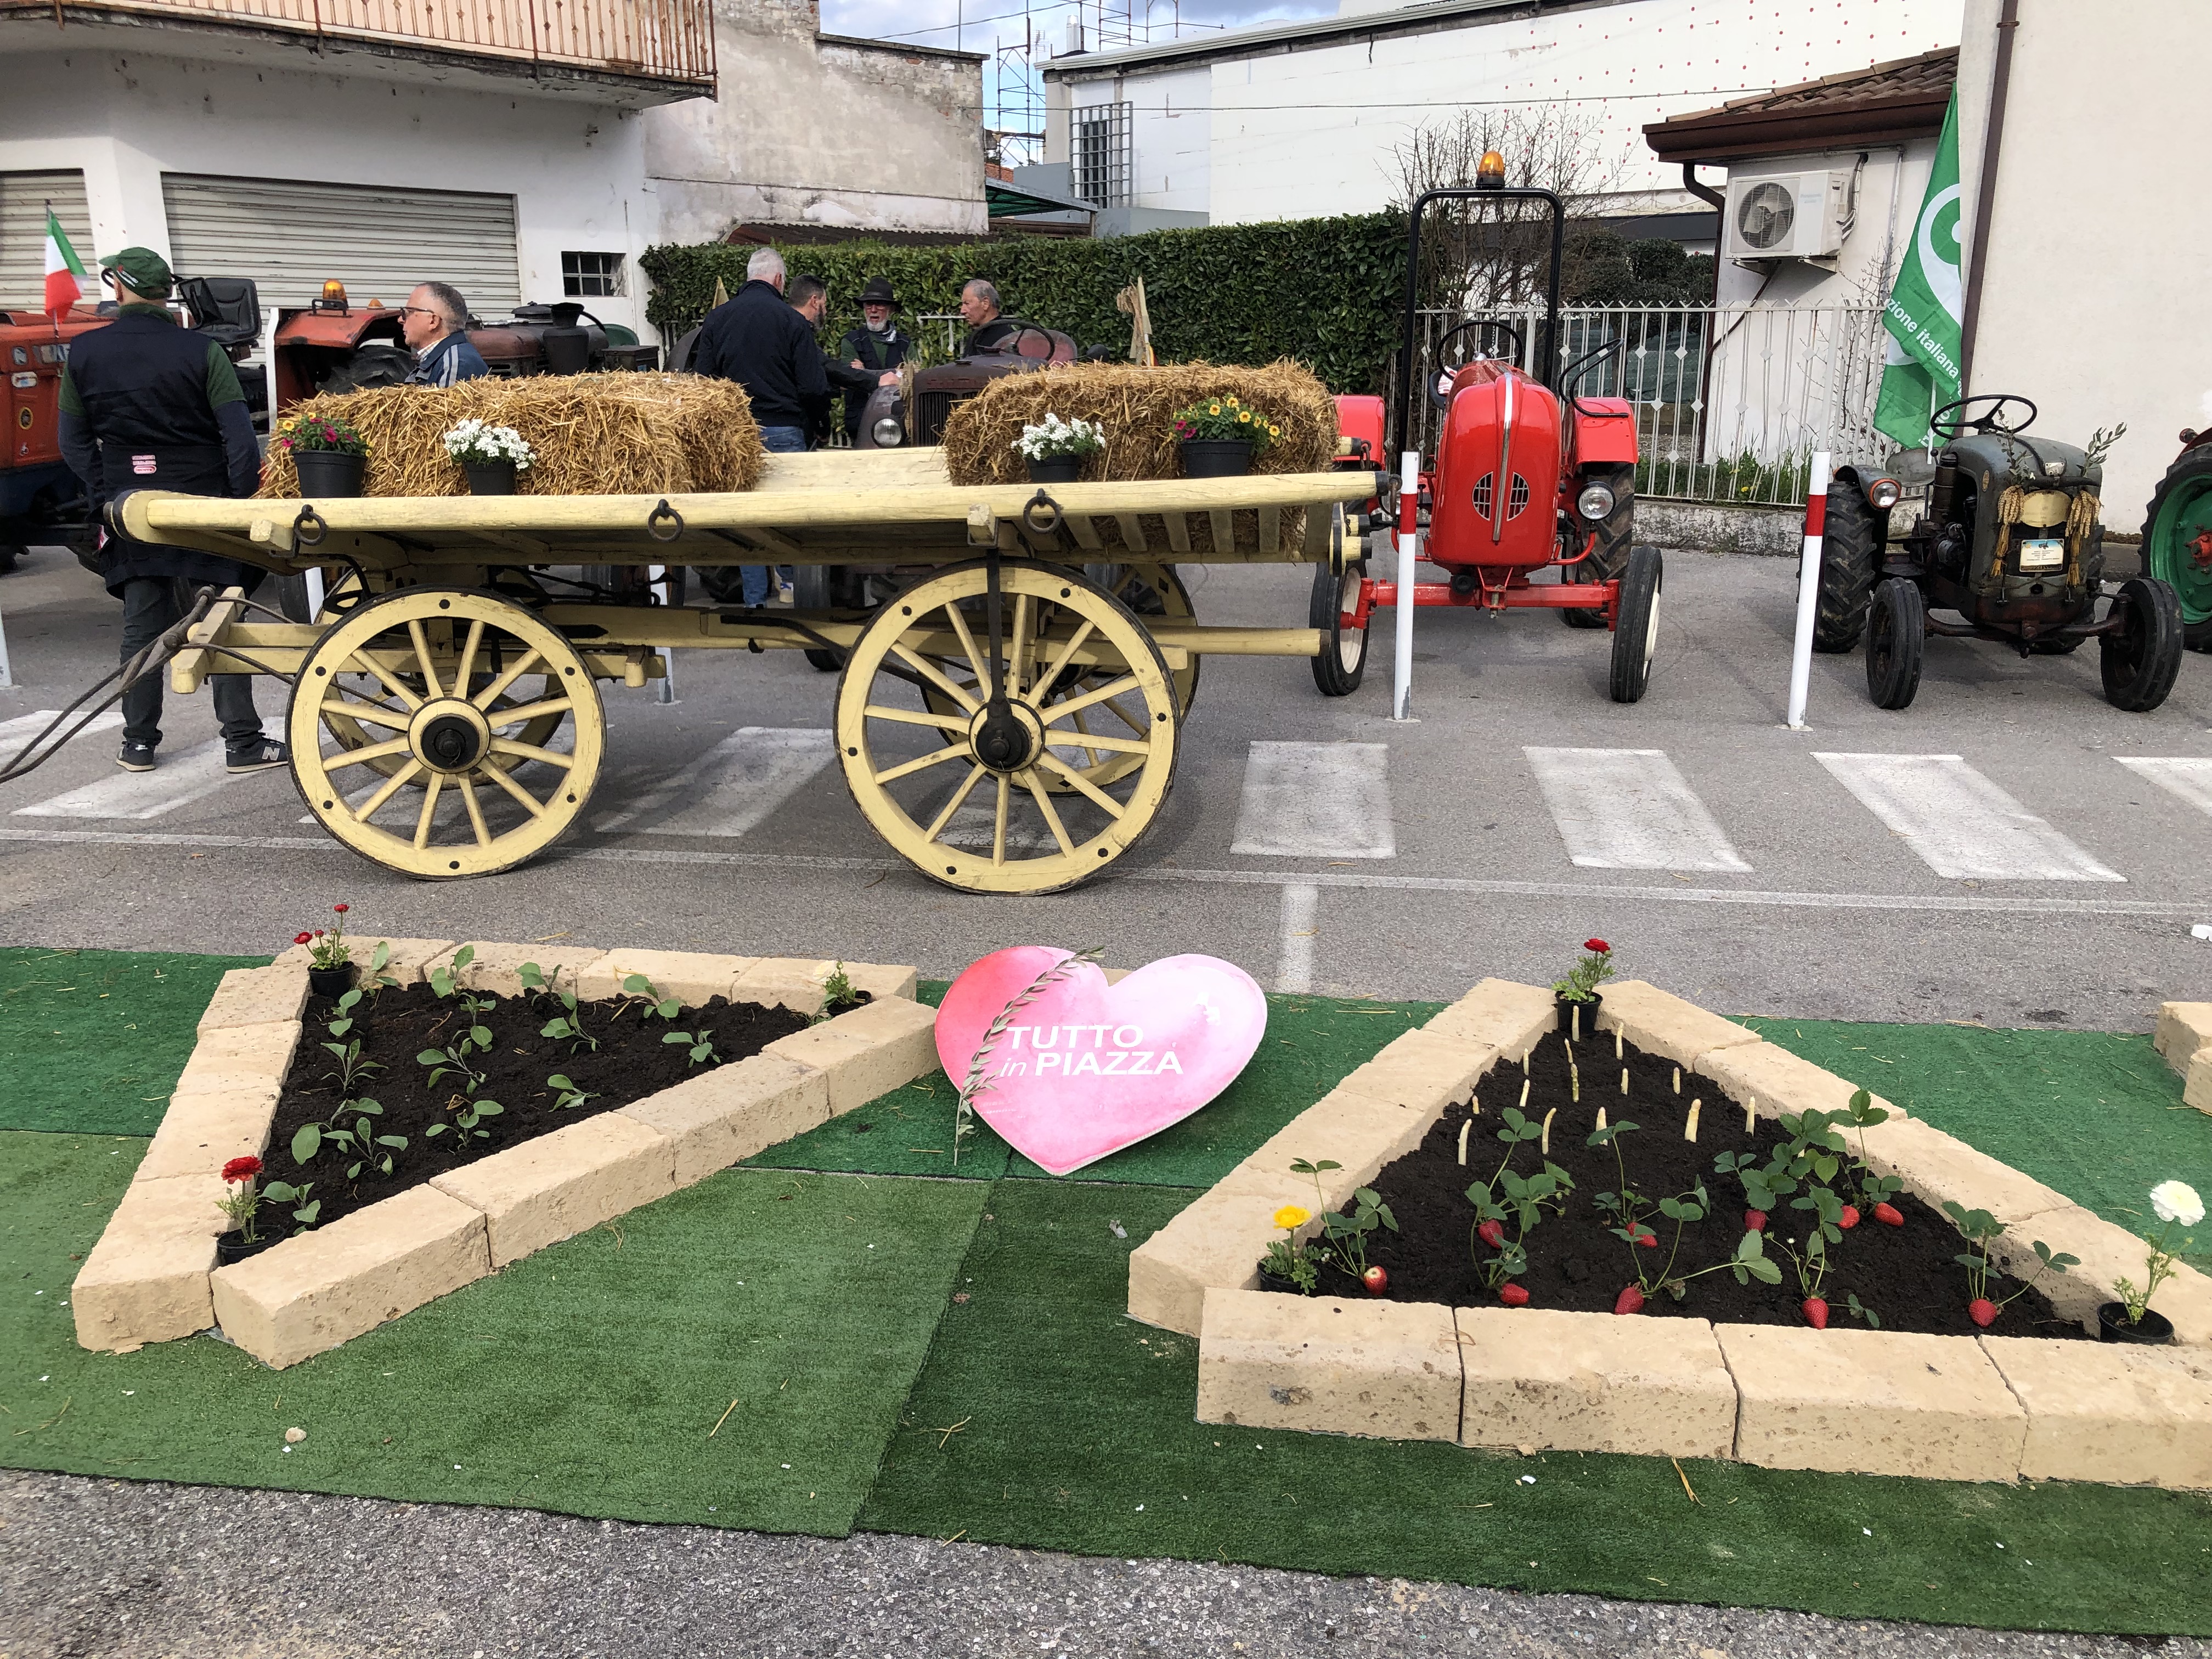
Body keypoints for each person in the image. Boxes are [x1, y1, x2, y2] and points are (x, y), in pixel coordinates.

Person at [55, 247, 288, 774]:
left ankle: (138, 743)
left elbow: (71, 441)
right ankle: (243, 742)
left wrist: (108, 493)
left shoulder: (84, 352)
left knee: (141, 626)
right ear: (166, 294)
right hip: (203, 503)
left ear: (120, 288)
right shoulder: (203, 352)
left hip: (131, 507)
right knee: (220, 620)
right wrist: (236, 503)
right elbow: (239, 439)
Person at [691, 248, 831, 605]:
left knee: (747, 522)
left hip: (737, 437)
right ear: (780, 280)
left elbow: (703, 384)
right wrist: (820, 425)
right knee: (788, 521)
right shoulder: (792, 322)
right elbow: (813, 387)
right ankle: (794, 591)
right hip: (785, 431)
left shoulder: (717, 320)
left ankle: (755, 603)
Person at [834, 276, 910, 443]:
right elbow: (848, 379)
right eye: (869, 305)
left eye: (880, 304)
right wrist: (894, 374)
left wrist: (865, 373)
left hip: (898, 423)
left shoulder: (906, 343)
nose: (873, 310)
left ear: (890, 309)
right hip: (860, 420)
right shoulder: (850, 341)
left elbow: (911, 378)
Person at [400, 282, 488, 386]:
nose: (401, 319)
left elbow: (449, 403)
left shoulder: (455, 365)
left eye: (408, 313)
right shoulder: (444, 360)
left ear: (433, 321)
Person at [959, 278, 1022, 356]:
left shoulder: (1005, 339)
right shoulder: (977, 335)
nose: (962, 311)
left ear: (985, 303)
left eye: (967, 304)